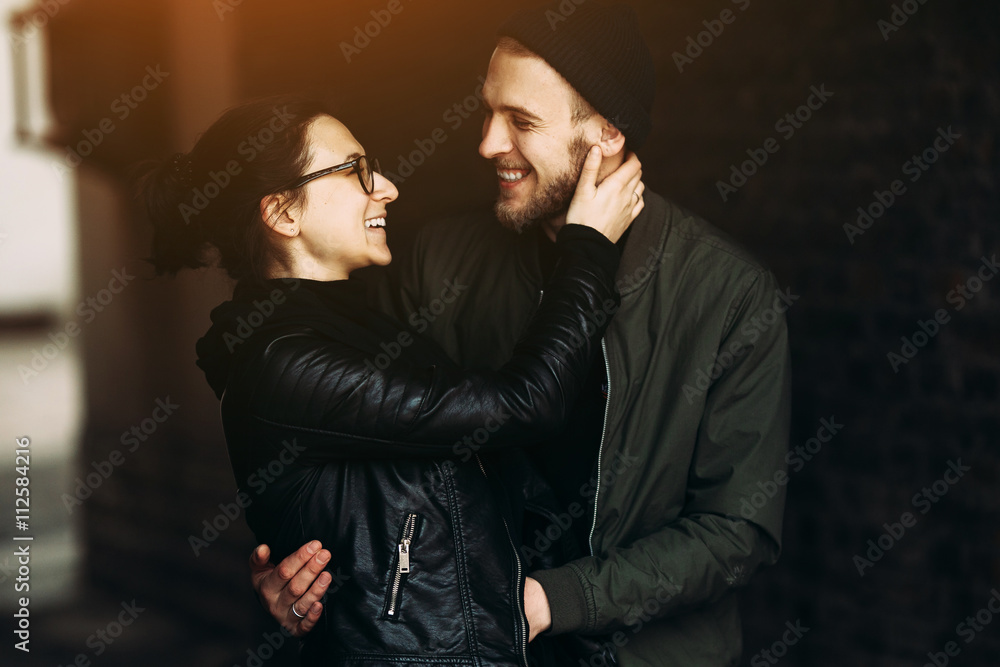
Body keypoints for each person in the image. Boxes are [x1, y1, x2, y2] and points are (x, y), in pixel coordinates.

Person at [255, 2, 792, 666]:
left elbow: (736, 530)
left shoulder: (728, 293)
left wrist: (547, 600)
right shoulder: (438, 262)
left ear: (607, 137)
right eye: (488, 111)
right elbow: (349, 449)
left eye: (522, 121)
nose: (487, 143)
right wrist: (291, 574)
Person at [139, 95, 644, 665]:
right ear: (283, 214)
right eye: (356, 171)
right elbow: (525, 403)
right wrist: (588, 249)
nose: (387, 186)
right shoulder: (284, 361)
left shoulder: (362, 325)